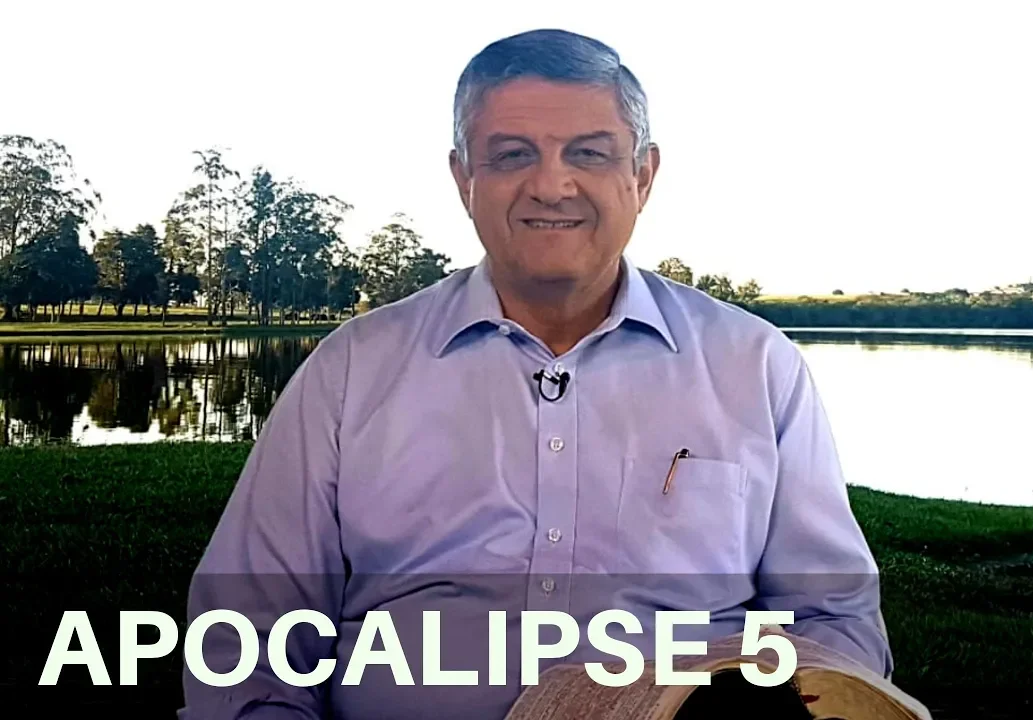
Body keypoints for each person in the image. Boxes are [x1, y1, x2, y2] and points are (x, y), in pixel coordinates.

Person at [181, 27, 890, 720]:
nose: (551, 185)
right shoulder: (352, 370)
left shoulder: (755, 366)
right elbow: (247, 630)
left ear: (642, 175)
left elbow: (833, 618)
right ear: (464, 178)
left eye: (589, 152)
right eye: (513, 154)